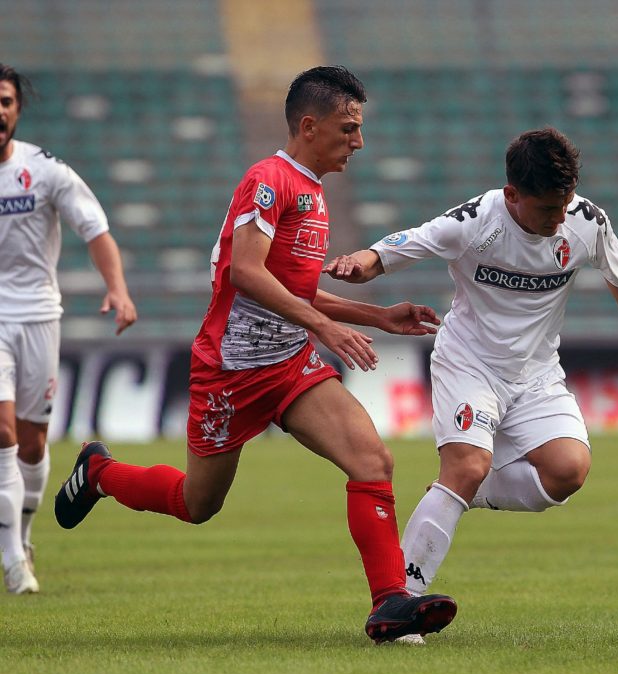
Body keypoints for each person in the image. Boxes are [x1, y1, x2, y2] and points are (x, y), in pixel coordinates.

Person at [52, 66, 456, 643]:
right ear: (309, 126)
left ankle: (390, 603)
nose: (358, 141)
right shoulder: (268, 181)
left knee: (373, 462)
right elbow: (245, 271)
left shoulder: (313, 192)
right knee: (197, 504)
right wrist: (322, 325)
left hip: (289, 368)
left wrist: (378, 315)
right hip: (230, 372)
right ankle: (99, 472)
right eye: (349, 128)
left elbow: (295, 285)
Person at [324, 127, 618, 639]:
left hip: (536, 373)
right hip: (469, 363)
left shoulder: (586, 221)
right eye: (546, 210)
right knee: (468, 463)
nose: (559, 219)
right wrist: (362, 263)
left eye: (565, 205)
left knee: (567, 471)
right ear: (512, 195)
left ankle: (458, 493)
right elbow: (403, 245)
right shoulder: (476, 222)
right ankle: (399, 605)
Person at [0, 64, 138, 595]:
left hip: (38, 317)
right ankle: (12, 559)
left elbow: (94, 227)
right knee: (4, 434)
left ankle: (22, 534)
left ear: (17, 109)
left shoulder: (46, 170)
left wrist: (118, 288)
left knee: (32, 445)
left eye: (7, 100)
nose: (0, 109)